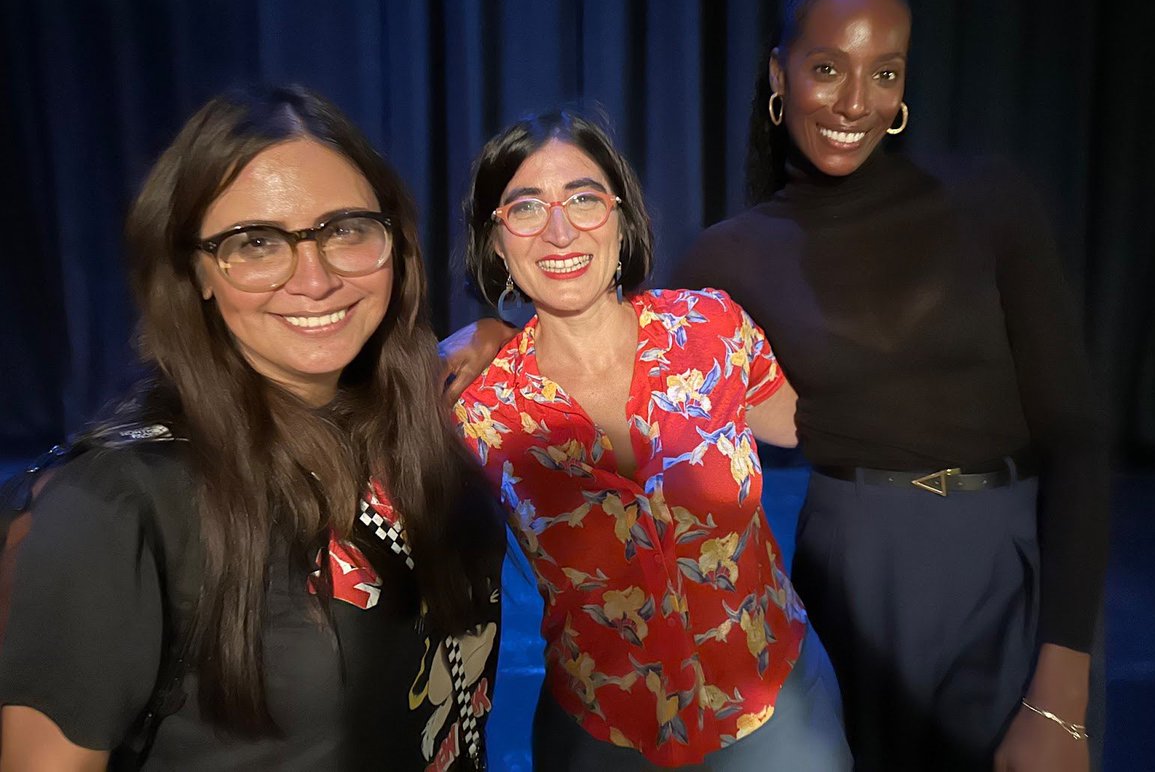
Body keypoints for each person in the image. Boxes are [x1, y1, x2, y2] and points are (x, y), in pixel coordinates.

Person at [670, 0, 1108, 771]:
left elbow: (1077, 441)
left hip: (1004, 575)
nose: (853, 102)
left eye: (884, 74)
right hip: (853, 576)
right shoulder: (730, 254)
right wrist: (497, 337)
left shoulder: (992, 200)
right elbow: (625, 356)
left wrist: (1063, 698)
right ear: (780, 73)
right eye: (828, 68)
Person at [0, 85, 505, 770]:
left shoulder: (413, 433)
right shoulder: (121, 503)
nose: (315, 278)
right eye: (256, 243)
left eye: (347, 230)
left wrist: (502, 329)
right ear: (196, 271)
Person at [452, 110, 851, 770]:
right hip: (605, 736)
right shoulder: (479, 405)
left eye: (583, 198)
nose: (559, 230)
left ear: (620, 215)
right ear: (497, 242)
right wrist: (476, 340)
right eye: (526, 208)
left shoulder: (711, 329)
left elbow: (818, 422)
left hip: (775, 716)